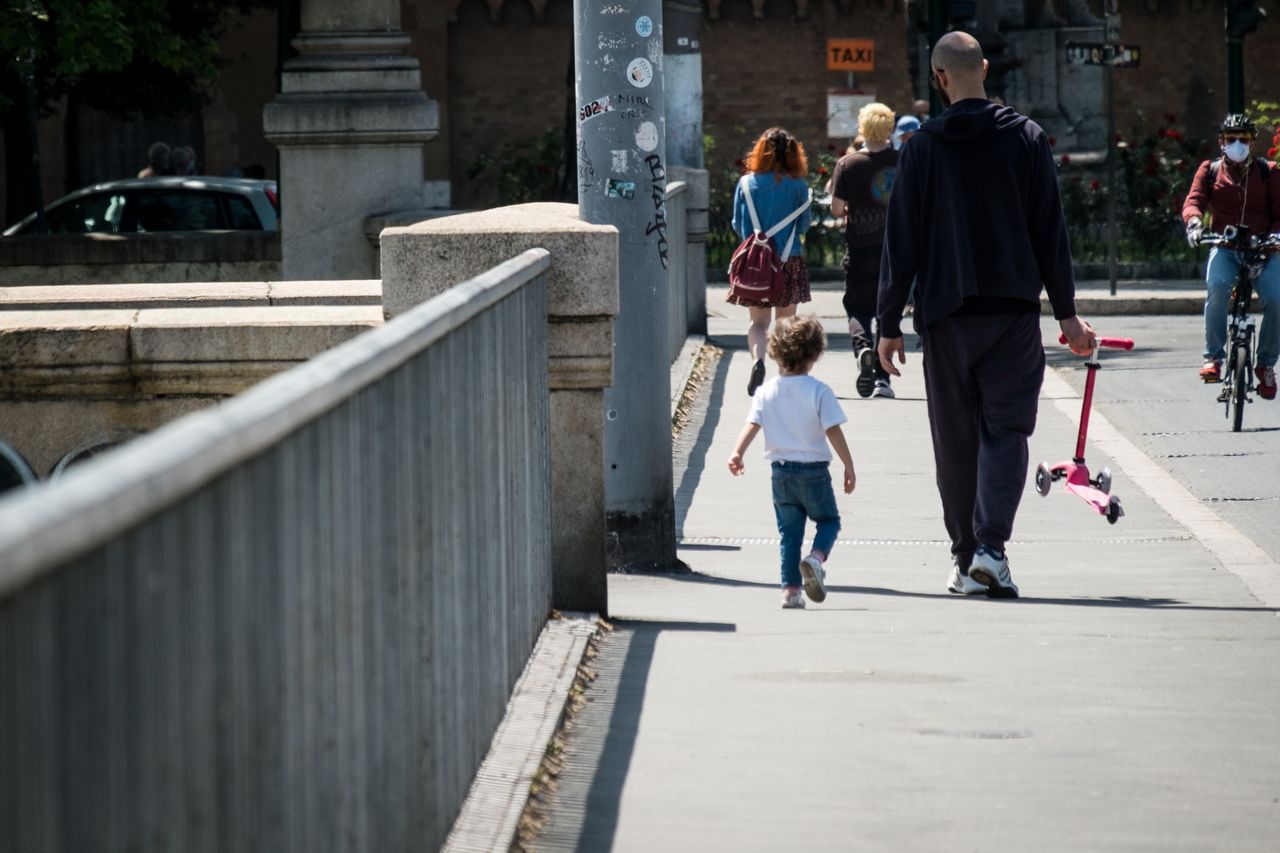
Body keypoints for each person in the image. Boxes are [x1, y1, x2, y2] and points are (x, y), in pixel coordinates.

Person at [877, 31, 1095, 599]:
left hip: (946, 316)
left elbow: (900, 242)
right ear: (986, 69)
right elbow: (1051, 231)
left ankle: (963, 557)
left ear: (939, 78)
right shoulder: (1025, 138)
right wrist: (1067, 314)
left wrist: (886, 323)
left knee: (955, 441)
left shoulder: (921, 147)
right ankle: (992, 550)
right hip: (1012, 314)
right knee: (1006, 432)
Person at [727, 315, 856, 609]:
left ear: (774, 351)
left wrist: (737, 452)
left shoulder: (766, 392)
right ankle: (816, 558)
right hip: (814, 473)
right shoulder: (819, 391)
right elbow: (833, 430)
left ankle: (791, 591)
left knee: (789, 535)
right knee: (829, 520)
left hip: (781, 474)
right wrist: (848, 465)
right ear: (814, 356)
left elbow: (752, 424)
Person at [1182, 113, 1280, 400]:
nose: (1237, 144)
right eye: (1231, 139)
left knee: (1276, 299)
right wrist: (1194, 223)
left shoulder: (1269, 172)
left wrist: (1275, 236)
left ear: (1253, 143)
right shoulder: (1209, 170)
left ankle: (1265, 365)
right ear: (1221, 142)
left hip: (1263, 249)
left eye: (1244, 139)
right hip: (1225, 247)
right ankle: (1213, 357)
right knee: (1217, 288)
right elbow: (1194, 200)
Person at [729, 127, 813, 396]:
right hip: (789, 260)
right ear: (793, 153)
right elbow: (803, 225)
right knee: (786, 324)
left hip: (757, 265)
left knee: (758, 324)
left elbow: (738, 224)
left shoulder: (746, 184)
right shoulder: (799, 186)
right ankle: (785, 378)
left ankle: (758, 361)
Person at [830, 101, 899, 398]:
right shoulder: (904, 160)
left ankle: (863, 349)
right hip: (895, 250)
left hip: (859, 248)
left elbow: (836, 209)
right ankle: (883, 379)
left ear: (862, 127)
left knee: (858, 307)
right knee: (888, 311)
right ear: (890, 127)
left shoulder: (847, 164)